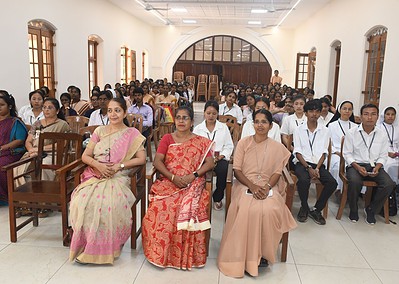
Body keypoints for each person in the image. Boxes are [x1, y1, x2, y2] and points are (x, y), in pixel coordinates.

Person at [217, 109, 297, 278]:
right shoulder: (244, 143)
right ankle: (245, 257)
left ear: (270, 126)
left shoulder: (277, 147)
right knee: (247, 208)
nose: (260, 125)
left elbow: (276, 172)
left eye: (264, 122)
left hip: (269, 186)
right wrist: (252, 186)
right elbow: (237, 170)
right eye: (257, 121)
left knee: (270, 209)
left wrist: (267, 187)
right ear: (252, 124)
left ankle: (264, 254)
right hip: (245, 183)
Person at [69, 98, 146, 264]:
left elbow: (142, 158)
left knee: (108, 203)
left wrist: (120, 165)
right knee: (82, 202)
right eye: (110, 110)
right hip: (95, 174)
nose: (113, 114)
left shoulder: (132, 133)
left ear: (125, 112)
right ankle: (87, 246)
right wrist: (99, 166)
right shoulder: (99, 131)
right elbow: (85, 156)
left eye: (117, 110)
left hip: (118, 176)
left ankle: (106, 248)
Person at [142, 106, 215, 270]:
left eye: (185, 118)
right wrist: (173, 177)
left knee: (184, 205)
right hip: (169, 181)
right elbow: (157, 161)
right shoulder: (167, 138)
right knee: (162, 207)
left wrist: (194, 175)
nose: (181, 121)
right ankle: (160, 253)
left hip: (192, 183)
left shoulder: (200, 141)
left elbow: (210, 163)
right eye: (179, 117)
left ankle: (183, 256)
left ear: (191, 121)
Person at [15, 98, 70, 217]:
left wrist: (40, 149)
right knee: (16, 169)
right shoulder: (38, 123)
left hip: (53, 153)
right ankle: (25, 204)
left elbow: (63, 144)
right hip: (33, 152)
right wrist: (31, 150)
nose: (46, 110)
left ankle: (44, 205)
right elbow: (28, 141)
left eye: (50, 107)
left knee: (43, 166)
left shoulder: (62, 124)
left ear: (57, 110)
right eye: (44, 107)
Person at [343, 104, 395, 224]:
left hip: (374, 166)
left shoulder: (382, 134)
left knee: (389, 184)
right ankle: (354, 210)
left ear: (377, 117)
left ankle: (371, 209)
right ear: (360, 116)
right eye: (366, 114)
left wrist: (377, 167)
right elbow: (347, 154)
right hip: (355, 165)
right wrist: (357, 166)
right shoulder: (352, 133)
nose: (369, 117)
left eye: (373, 114)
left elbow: (383, 155)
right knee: (355, 181)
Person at [293, 99, 337, 225]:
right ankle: (304, 207)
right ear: (306, 113)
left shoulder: (325, 130)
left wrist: (317, 168)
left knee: (332, 182)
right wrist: (308, 168)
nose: (314, 114)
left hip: (318, 164)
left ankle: (316, 209)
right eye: (311, 111)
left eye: (317, 111)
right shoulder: (298, 130)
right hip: (302, 163)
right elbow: (297, 152)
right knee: (303, 180)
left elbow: (324, 152)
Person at [193, 101, 234, 211]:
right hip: (202, 160)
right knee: (196, 172)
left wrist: (221, 156)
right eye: (208, 113)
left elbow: (229, 146)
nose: (211, 116)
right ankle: (199, 196)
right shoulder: (198, 129)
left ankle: (218, 197)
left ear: (218, 114)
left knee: (224, 170)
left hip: (219, 158)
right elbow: (193, 147)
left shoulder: (223, 127)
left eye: (214, 113)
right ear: (204, 113)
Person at [0, 91, 28, 206]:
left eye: (1, 105)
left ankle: (5, 198)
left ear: (10, 106)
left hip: (11, 153)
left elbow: (20, 140)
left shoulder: (15, 122)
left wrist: (2, 148)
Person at [327, 101, 357, 193]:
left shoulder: (355, 126)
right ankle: (338, 190)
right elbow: (329, 143)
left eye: (349, 109)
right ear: (339, 110)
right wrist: (337, 152)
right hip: (336, 153)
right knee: (338, 166)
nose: (347, 111)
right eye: (344, 109)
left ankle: (351, 191)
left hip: (352, 154)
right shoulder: (332, 125)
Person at [377, 107, 399, 186]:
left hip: (395, 153)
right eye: (388, 114)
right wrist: (388, 153)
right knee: (389, 165)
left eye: (393, 114)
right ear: (384, 115)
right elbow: (376, 144)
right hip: (383, 154)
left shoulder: (397, 128)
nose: (390, 116)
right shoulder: (378, 128)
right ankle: (388, 186)